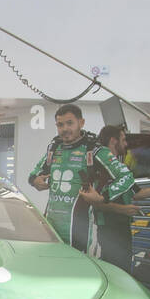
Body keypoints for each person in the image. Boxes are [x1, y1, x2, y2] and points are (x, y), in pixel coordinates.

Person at [80, 124, 150, 269]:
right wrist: (123, 209)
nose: (126, 144)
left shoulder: (120, 170)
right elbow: (95, 202)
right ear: (114, 141)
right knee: (114, 271)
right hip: (107, 229)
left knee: (125, 270)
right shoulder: (98, 169)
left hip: (122, 228)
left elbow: (137, 193)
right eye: (123, 139)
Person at [28, 104, 108, 253]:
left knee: (80, 272)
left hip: (82, 233)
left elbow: (126, 179)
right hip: (51, 229)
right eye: (60, 124)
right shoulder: (54, 149)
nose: (65, 129)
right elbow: (33, 175)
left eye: (70, 123)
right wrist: (35, 181)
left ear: (81, 123)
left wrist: (103, 198)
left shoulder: (94, 149)